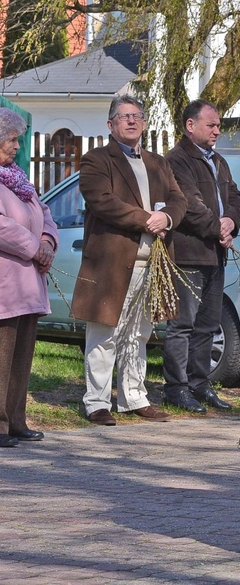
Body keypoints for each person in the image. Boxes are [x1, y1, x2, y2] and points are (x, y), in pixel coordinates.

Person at [71, 94, 186, 426]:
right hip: (111, 262)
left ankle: (134, 397)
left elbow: (179, 199)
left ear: (145, 123)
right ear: (111, 125)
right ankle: (97, 402)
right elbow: (102, 202)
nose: (132, 121)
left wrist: (167, 220)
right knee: (104, 331)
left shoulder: (158, 163)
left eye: (137, 115)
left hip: (152, 263)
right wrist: (146, 218)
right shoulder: (96, 160)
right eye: (124, 116)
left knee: (139, 332)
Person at [161, 100, 240, 413]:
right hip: (189, 253)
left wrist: (231, 222)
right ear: (190, 126)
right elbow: (189, 205)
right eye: (211, 125)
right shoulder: (177, 160)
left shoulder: (219, 161)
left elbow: (234, 198)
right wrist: (218, 228)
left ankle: (199, 383)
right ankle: (176, 388)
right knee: (182, 325)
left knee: (207, 325)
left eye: (218, 125)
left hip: (214, 254)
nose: (217, 131)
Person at [0, 108, 57, 446]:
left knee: (22, 355)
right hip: (6, 282)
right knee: (1, 356)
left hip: (29, 282)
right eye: (11, 139)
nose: (16, 145)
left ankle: (16, 420)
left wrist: (48, 241)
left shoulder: (17, 179)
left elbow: (45, 211)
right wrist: (34, 247)